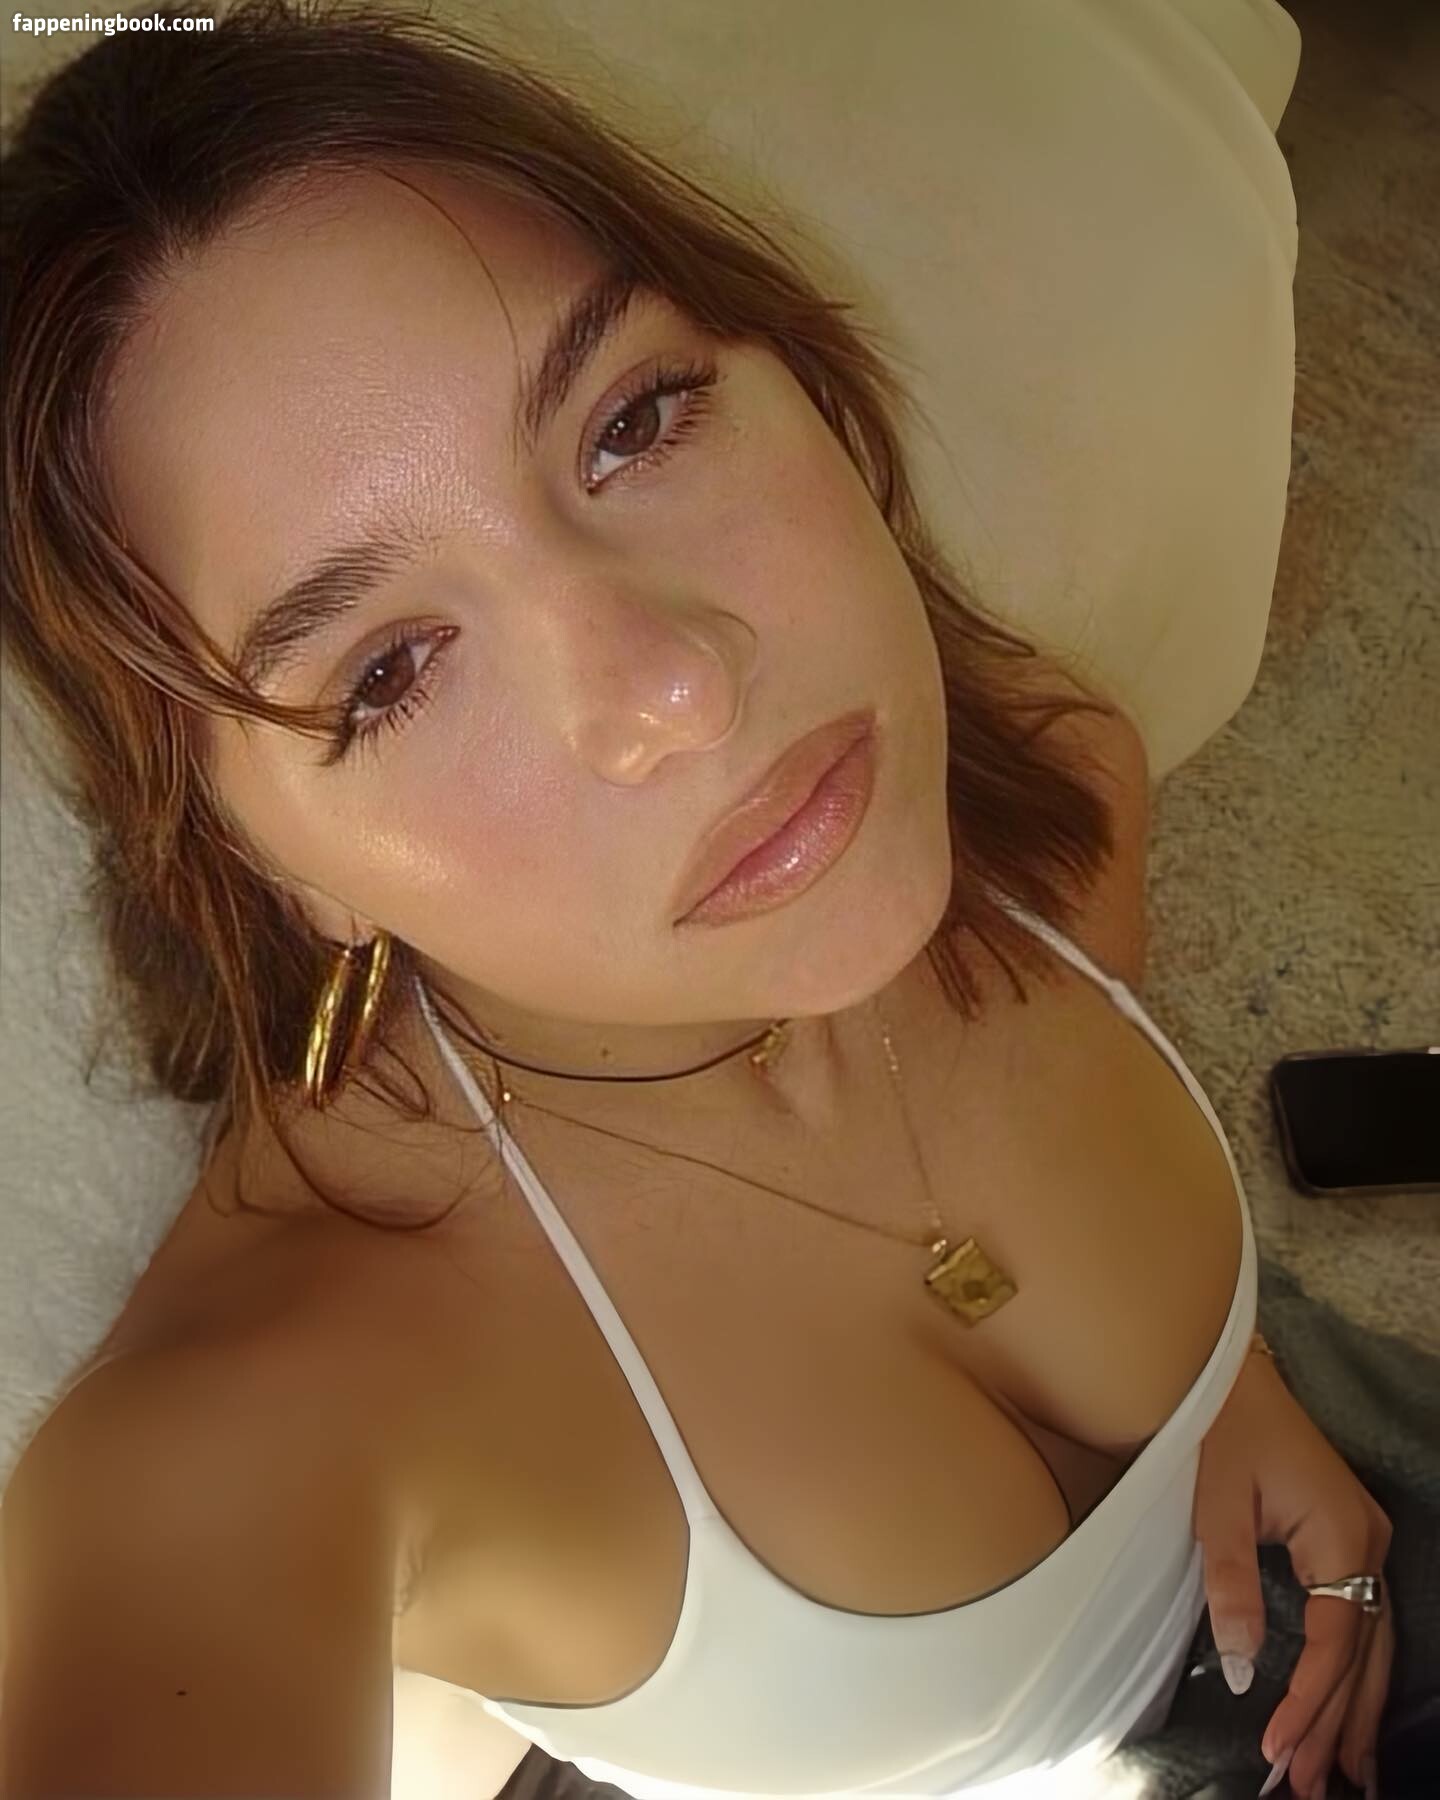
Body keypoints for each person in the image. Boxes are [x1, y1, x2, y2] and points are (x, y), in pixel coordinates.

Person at [0, 4, 1411, 1798]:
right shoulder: (253, 1428)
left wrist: (1236, 1386)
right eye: (391, 673)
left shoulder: (1046, 782)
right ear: (268, 865)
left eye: (636, 421)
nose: (678, 686)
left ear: (796, 371)